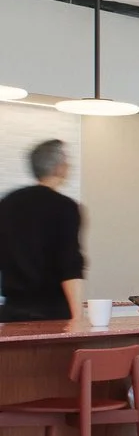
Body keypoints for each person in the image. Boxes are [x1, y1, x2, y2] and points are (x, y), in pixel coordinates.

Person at [0, 138, 83, 322]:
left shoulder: (7, 203)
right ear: (59, 167)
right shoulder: (65, 207)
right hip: (53, 312)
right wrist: (78, 317)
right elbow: (69, 265)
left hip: (12, 310)